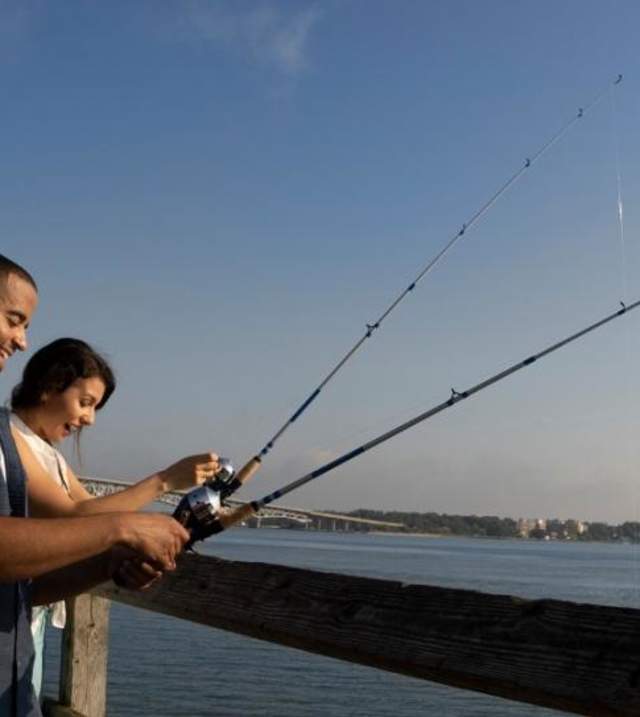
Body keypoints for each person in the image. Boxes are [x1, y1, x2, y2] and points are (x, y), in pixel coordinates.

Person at [0, 254, 207, 716]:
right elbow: (76, 518)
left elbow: (24, 586)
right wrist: (152, 497)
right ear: (51, 385)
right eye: (85, 402)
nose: (22, 339)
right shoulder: (12, 438)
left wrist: (110, 563)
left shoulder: (33, 452)